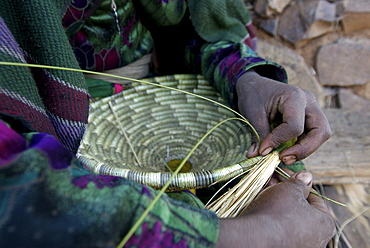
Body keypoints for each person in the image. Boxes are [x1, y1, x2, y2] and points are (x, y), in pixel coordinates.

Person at [0, 0, 334, 247]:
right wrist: (256, 235)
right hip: (57, 134)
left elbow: (194, 29)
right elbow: (18, 194)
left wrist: (245, 76)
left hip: (171, 97)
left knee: (282, 184)